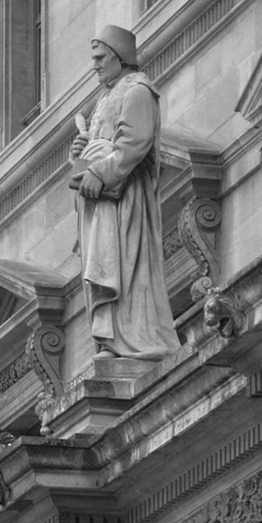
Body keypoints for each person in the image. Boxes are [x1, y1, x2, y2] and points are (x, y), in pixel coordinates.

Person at [70, 26, 180, 360]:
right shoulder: (104, 98)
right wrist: (80, 151)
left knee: (125, 262)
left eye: (101, 58)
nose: (96, 66)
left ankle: (131, 339)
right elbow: (101, 142)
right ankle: (110, 339)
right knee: (103, 262)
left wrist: (100, 173)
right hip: (99, 196)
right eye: (94, 59)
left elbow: (134, 142)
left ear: (120, 56)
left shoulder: (138, 90)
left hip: (124, 196)